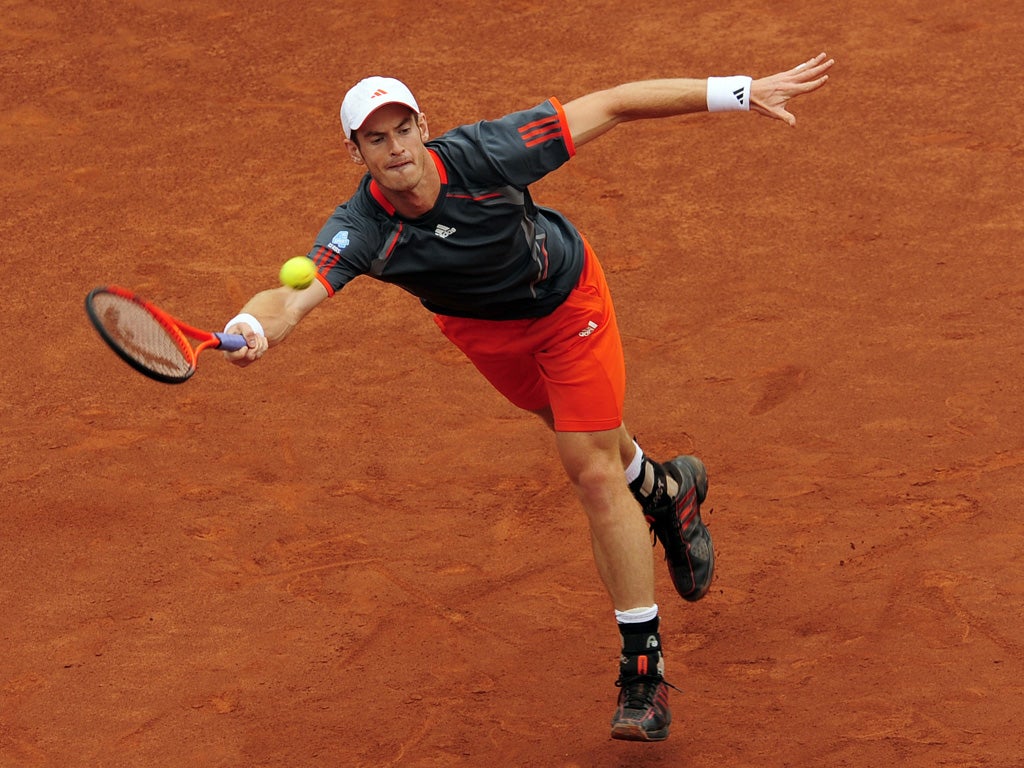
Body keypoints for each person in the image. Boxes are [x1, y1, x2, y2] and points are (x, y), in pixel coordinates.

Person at [221, 52, 833, 742]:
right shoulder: (360, 226)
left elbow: (615, 102)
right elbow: (291, 296)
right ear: (355, 151)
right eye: (375, 138)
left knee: (592, 471)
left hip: (569, 307)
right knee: (594, 442)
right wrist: (251, 327)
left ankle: (644, 672)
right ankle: (666, 492)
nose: (394, 149)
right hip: (485, 337)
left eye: (401, 130)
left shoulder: (488, 153)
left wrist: (739, 91)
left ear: (422, 126)